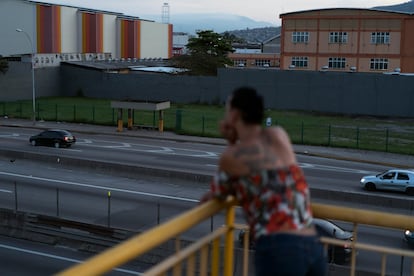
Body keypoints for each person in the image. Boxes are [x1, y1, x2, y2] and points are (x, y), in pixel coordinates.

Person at [201, 86, 326, 276]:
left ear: (234, 115)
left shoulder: (231, 157)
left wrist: (230, 142)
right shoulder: (279, 135)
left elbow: (216, 195)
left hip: (279, 250)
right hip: (312, 245)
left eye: (227, 110)